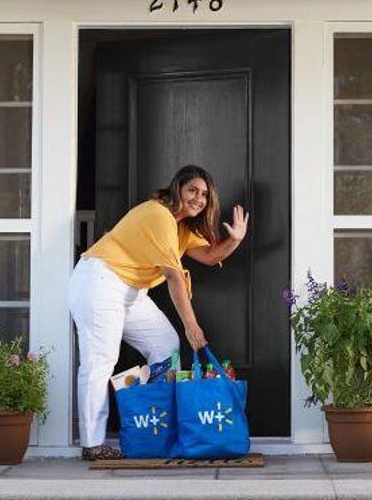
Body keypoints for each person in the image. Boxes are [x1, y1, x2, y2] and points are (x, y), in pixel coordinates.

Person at [68, 165, 249, 461]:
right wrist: (191, 325)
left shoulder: (182, 228)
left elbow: (210, 255)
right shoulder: (159, 214)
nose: (199, 198)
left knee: (165, 345)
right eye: (192, 190)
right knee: (100, 360)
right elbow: (174, 276)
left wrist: (236, 239)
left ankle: (154, 425)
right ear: (178, 188)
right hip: (101, 281)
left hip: (132, 290)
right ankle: (93, 444)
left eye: (204, 194)